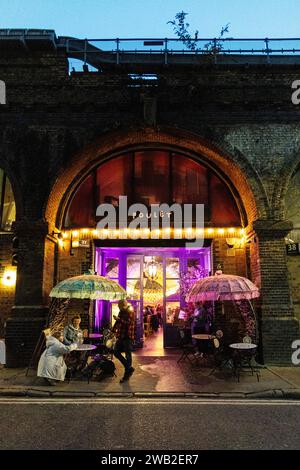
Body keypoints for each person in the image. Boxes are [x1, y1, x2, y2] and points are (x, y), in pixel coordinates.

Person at [112, 299, 135, 383]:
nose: (118, 307)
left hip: (128, 336)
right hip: (121, 336)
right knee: (115, 352)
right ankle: (129, 368)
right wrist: (113, 330)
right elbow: (118, 323)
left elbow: (128, 323)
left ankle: (126, 375)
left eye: (119, 306)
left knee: (128, 355)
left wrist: (119, 319)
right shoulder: (121, 312)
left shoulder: (130, 311)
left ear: (123, 305)